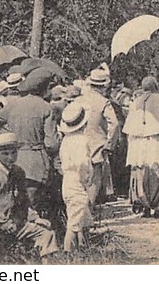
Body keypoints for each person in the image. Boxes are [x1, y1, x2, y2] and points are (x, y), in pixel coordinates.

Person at [0, 132, 58, 264]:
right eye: (6, 154)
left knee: (46, 234)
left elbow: (24, 201)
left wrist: (35, 218)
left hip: (14, 226)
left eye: (13, 153)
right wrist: (4, 222)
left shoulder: (18, 172)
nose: (11, 157)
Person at [123, 76, 159, 217]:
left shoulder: (135, 102)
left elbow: (130, 126)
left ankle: (145, 206)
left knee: (142, 172)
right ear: (156, 86)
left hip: (140, 142)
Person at [3, 72, 59, 213]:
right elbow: (51, 143)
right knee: (36, 204)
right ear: (44, 88)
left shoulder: (13, 105)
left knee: (18, 202)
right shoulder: (46, 107)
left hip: (14, 158)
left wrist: (6, 139)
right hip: (36, 160)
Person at [77, 67, 120, 206]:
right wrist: (110, 143)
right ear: (103, 86)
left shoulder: (79, 100)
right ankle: (89, 209)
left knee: (81, 178)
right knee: (95, 178)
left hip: (79, 142)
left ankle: (82, 209)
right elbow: (114, 124)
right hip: (97, 143)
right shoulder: (103, 102)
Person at [58, 101, 95, 253]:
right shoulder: (82, 140)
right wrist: (86, 177)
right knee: (74, 222)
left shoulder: (65, 141)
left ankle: (82, 246)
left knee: (79, 215)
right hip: (77, 181)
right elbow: (83, 163)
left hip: (67, 180)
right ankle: (67, 251)